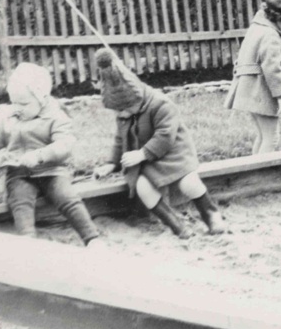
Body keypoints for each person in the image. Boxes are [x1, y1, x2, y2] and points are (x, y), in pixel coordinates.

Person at [0, 63, 102, 247]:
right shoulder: (10, 117)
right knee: (19, 201)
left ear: (42, 98)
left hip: (51, 170)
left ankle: (91, 238)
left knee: (67, 198)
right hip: (20, 172)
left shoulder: (56, 117)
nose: (17, 108)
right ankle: (28, 241)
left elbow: (65, 144)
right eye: (13, 102)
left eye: (23, 103)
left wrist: (40, 155)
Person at [93, 49, 228, 238]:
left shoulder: (160, 104)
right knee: (143, 187)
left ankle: (211, 214)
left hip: (173, 152)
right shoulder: (124, 113)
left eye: (124, 110)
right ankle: (176, 224)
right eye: (117, 112)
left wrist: (141, 154)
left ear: (137, 98)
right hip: (147, 161)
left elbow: (165, 135)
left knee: (189, 182)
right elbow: (120, 139)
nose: (121, 115)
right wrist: (111, 163)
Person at [225, 0, 281, 154]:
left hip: (248, 91)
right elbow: (273, 69)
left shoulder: (256, 27)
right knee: (271, 137)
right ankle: (263, 173)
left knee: (262, 136)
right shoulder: (271, 35)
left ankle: (255, 172)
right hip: (261, 92)